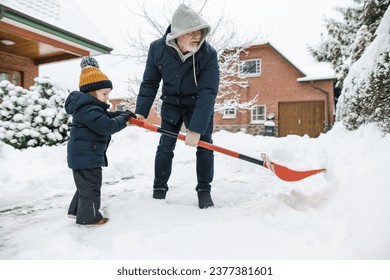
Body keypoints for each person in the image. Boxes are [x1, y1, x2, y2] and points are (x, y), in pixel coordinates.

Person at [135, 4, 220, 209]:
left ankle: (204, 190)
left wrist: (196, 129)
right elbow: (150, 82)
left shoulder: (208, 54)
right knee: (165, 146)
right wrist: (140, 111)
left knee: (205, 147)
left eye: (199, 32)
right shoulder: (157, 49)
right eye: (191, 32)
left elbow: (208, 93)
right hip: (171, 104)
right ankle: (159, 188)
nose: (197, 37)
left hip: (197, 104)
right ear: (178, 33)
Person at [65, 56, 135, 226]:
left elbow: (107, 117)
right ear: (92, 93)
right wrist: (124, 118)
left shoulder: (89, 108)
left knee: (84, 187)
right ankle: (89, 218)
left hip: (83, 156)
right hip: (87, 158)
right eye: (104, 94)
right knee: (91, 187)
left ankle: (76, 212)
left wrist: (122, 114)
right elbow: (107, 126)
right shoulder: (89, 110)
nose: (107, 98)